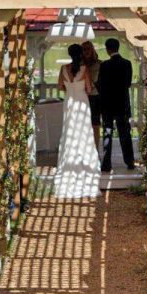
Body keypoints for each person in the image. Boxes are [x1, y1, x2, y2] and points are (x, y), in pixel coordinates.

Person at [53, 43, 101, 198]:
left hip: (69, 102)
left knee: (69, 133)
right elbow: (89, 88)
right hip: (82, 102)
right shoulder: (85, 69)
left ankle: (68, 165)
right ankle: (85, 164)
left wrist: (70, 88)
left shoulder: (63, 69)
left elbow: (60, 86)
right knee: (84, 134)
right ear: (80, 54)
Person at [97, 38, 135, 172]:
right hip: (122, 104)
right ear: (118, 48)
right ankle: (130, 162)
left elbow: (100, 86)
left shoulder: (104, 65)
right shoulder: (127, 63)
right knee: (125, 134)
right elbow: (128, 84)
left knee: (107, 133)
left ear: (108, 50)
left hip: (107, 105)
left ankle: (106, 164)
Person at [82, 41, 102, 151]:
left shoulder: (100, 64)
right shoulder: (79, 65)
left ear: (92, 50)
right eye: (84, 49)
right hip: (82, 98)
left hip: (95, 97)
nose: (86, 51)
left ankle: (95, 149)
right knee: (83, 125)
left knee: (95, 125)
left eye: (88, 49)